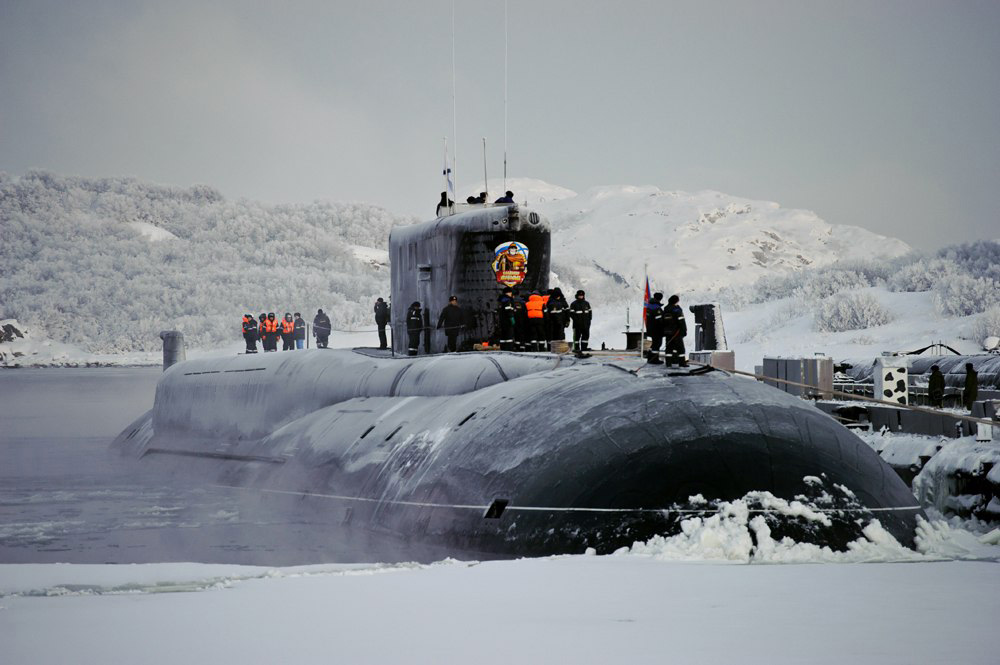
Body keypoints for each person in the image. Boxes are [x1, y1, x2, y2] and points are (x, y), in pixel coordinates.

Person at [663, 295, 688, 367]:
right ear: (676, 301)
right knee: (681, 348)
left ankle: (668, 363)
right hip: (676, 332)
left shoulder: (665, 309)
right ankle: (682, 363)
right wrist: (684, 330)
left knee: (669, 348)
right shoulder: (676, 309)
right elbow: (681, 321)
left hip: (667, 332)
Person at [569, 290, 592, 356]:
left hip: (586, 324)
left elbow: (590, 313)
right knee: (576, 337)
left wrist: (589, 321)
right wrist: (577, 321)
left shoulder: (586, 303)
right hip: (577, 325)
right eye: (579, 295)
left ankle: (584, 348)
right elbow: (571, 314)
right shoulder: (574, 304)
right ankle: (576, 348)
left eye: (582, 295)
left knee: (585, 336)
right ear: (577, 295)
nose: (581, 296)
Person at [645, 293, 665, 364]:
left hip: (651, 328)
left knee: (654, 344)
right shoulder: (656, 308)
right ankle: (654, 359)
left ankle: (650, 358)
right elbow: (660, 321)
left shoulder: (649, 306)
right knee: (657, 344)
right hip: (657, 330)